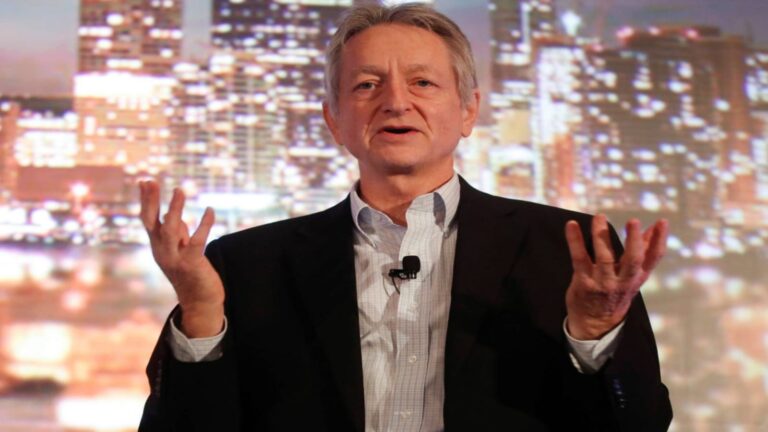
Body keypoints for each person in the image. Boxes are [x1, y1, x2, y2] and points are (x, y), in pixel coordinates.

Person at [138, 3, 672, 431]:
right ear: (334, 120)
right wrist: (201, 317)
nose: (395, 102)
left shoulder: (569, 250)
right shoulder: (244, 265)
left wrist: (595, 334)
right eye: (366, 85)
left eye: (423, 83)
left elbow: (639, 424)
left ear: (468, 110)